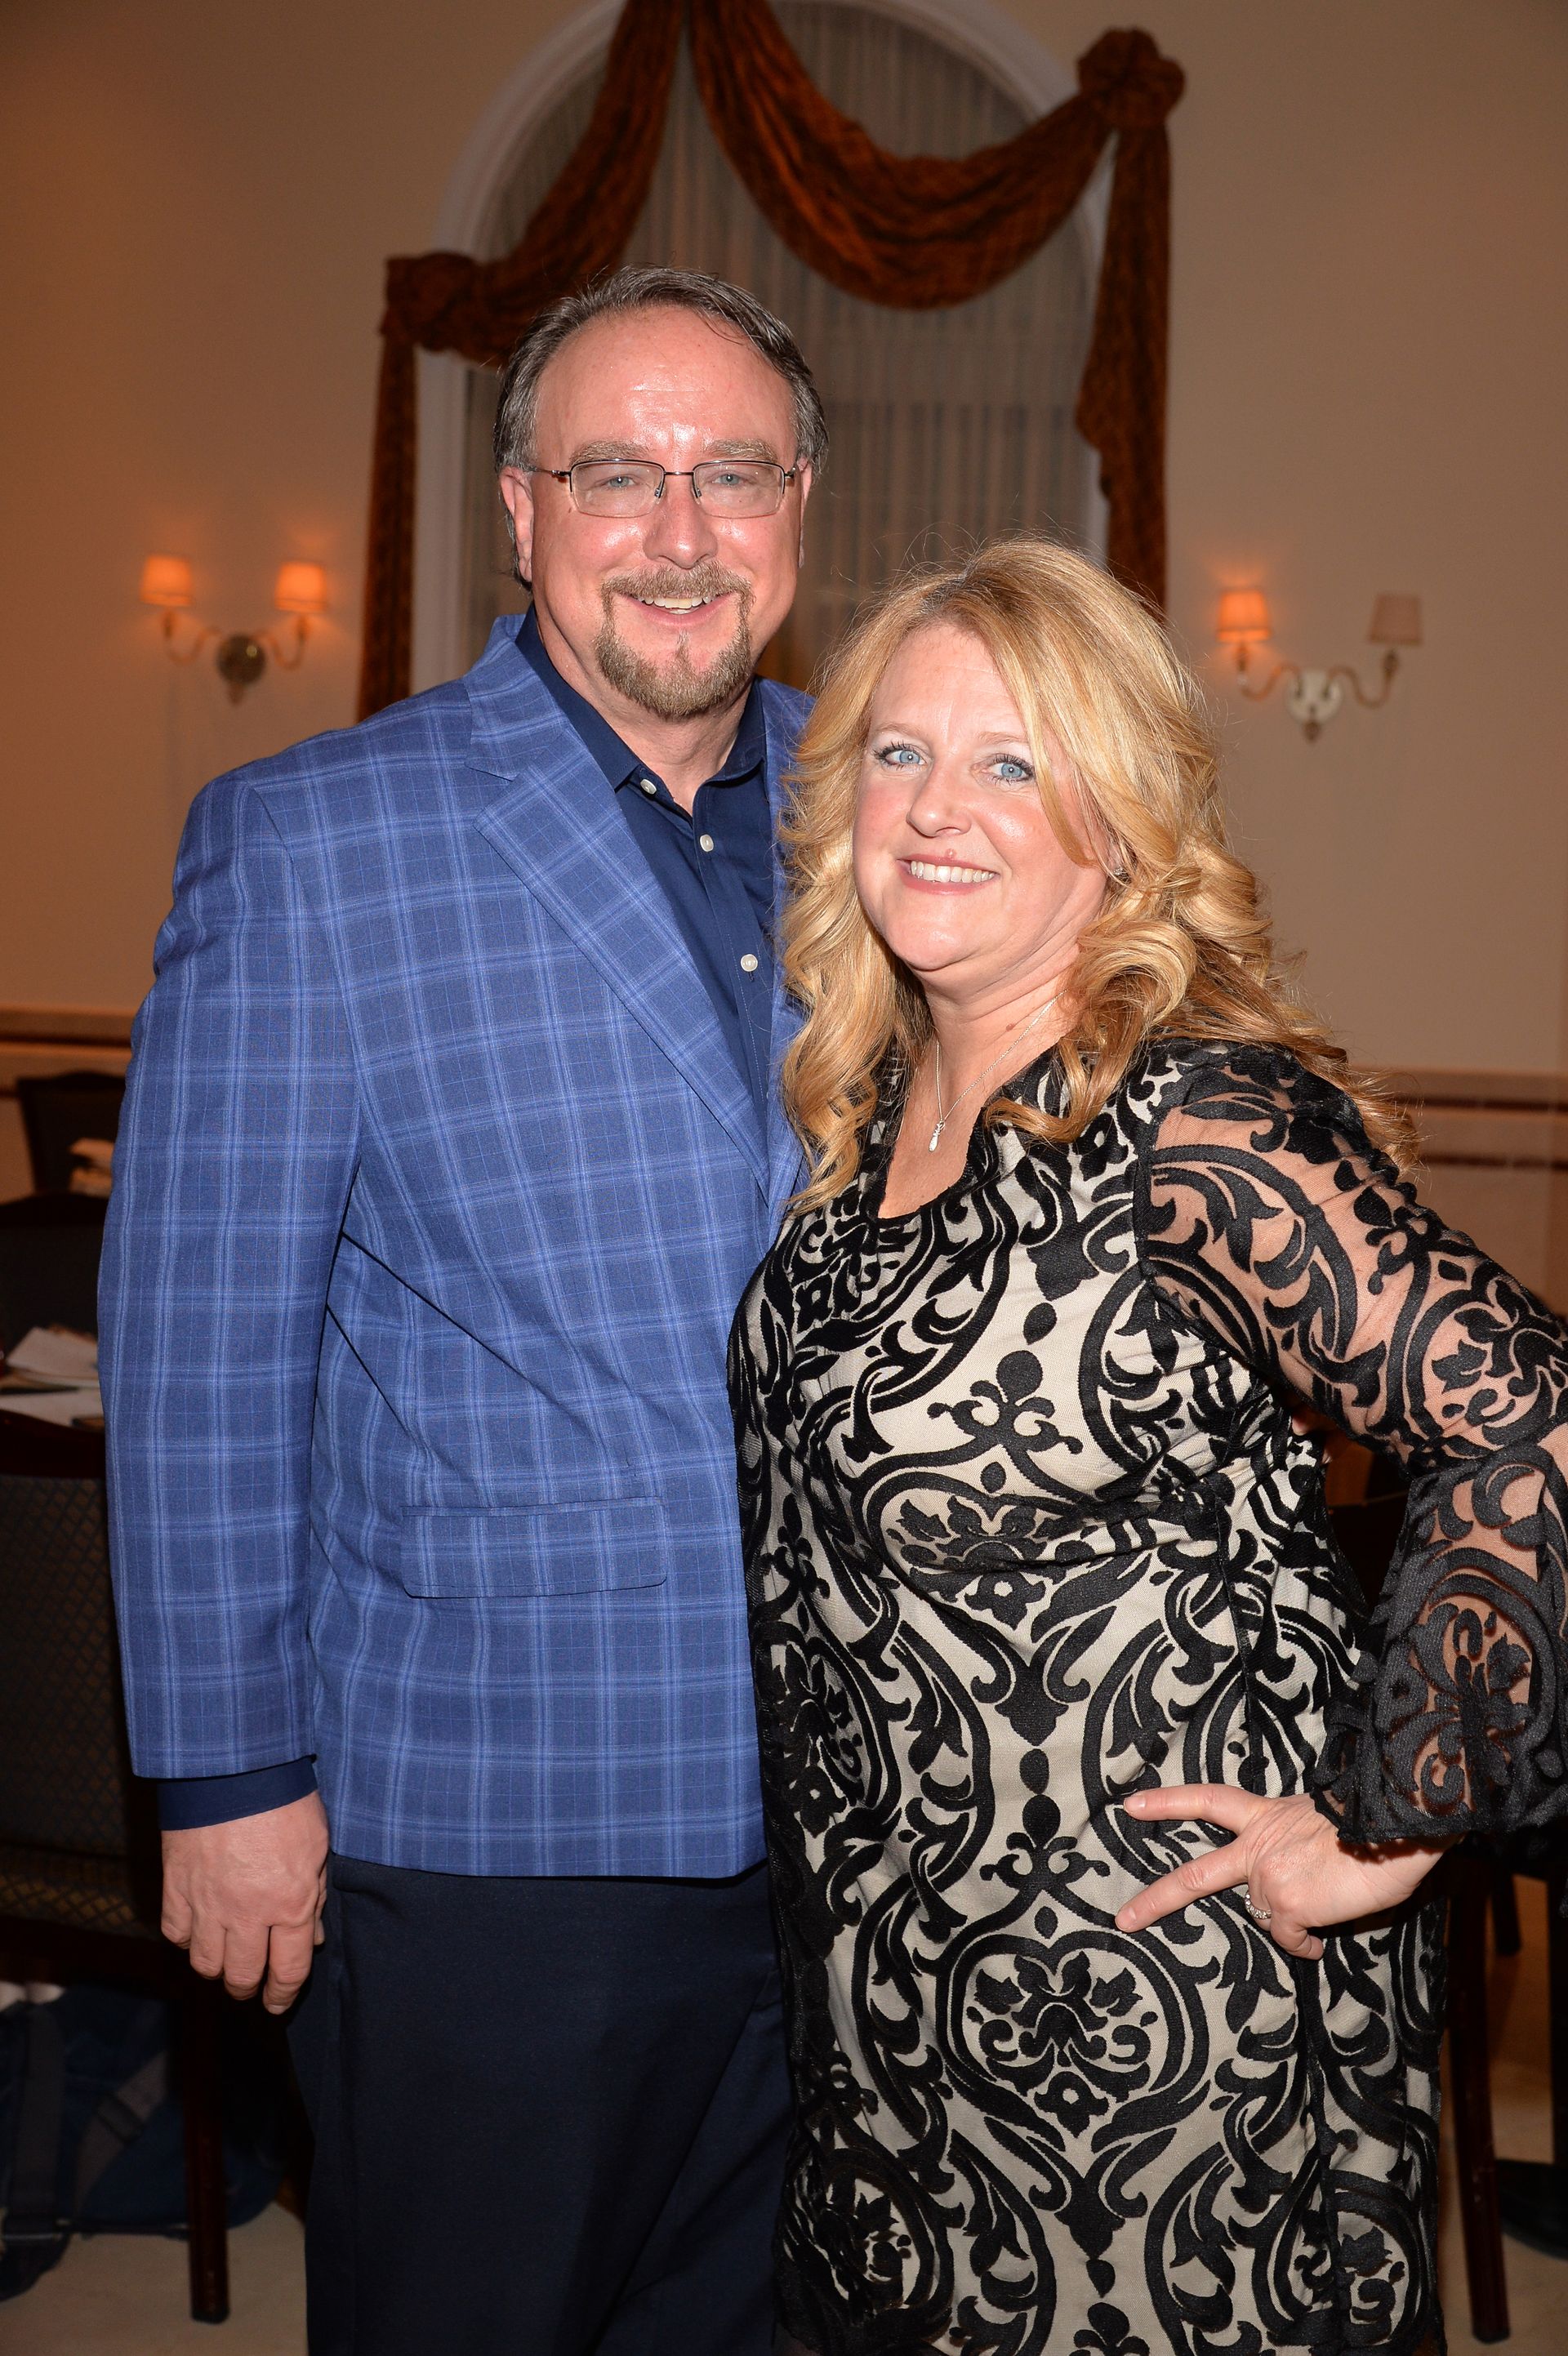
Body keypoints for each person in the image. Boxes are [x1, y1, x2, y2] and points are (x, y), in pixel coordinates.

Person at [728, 536, 1568, 2356]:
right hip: (895, 2004)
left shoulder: (1196, 1121)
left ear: (1115, 825)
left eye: (1012, 762)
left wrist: (1388, 1820)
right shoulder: (869, 1104)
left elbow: (1532, 1420)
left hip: (1165, 2020)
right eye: (900, 753)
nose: (937, 809)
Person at [100, 266, 823, 2355]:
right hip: (497, 1841)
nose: (680, 529)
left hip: (855, 1833)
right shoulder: (314, 841)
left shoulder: (901, 819)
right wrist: (225, 1781)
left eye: (735, 473)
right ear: (520, 509)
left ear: (799, 509)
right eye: (619, 471)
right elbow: (200, 1355)